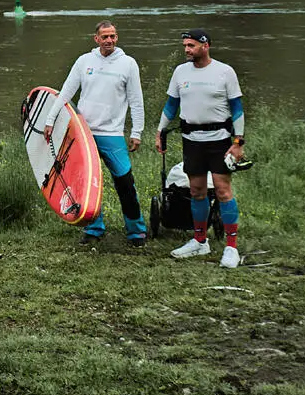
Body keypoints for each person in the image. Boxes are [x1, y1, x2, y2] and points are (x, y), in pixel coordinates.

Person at [154, 29, 246, 269]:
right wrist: (160, 131)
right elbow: (171, 105)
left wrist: (238, 143)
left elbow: (237, 109)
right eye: (185, 45)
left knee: (223, 190)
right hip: (191, 139)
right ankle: (199, 240)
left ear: (206, 46)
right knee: (196, 190)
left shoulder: (225, 72)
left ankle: (231, 248)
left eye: (191, 45)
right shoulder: (180, 72)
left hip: (219, 140)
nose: (187, 49)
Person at [52, 20, 148, 247]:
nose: (109, 40)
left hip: (113, 135)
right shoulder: (84, 61)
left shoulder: (128, 64)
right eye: (105, 37)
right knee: (87, 185)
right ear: (96, 39)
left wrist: (137, 132)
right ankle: (94, 228)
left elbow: (136, 101)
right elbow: (66, 92)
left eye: (113, 36)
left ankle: (137, 232)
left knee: (125, 183)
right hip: (84, 134)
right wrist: (49, 120)